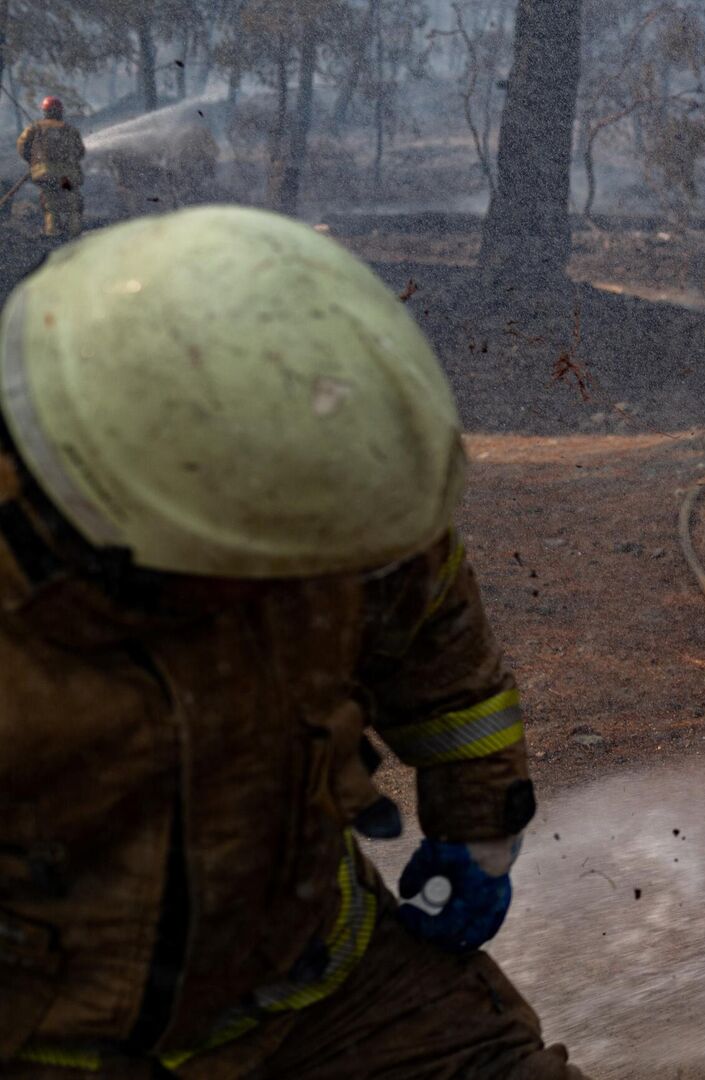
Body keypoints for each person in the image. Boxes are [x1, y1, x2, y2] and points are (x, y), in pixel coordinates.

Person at [0, 207, 584, 1078]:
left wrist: (479, 826)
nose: (304, 587)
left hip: (329, 992)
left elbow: (440, 649)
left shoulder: (318, 480)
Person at [15, 97, 84, 241]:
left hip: (46, 175)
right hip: (65, 177)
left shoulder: (35, 128)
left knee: (51, 204)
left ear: (44, 111)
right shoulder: (69, 129)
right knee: (72, 203)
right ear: (60, 111)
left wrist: (32, 160)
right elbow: (80, 152)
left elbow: (21, 145)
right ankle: (75, 236)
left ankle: (53, 235)